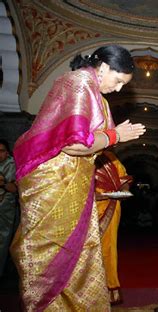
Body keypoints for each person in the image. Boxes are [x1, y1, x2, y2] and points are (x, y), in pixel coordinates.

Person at [11, 45, 146, 311]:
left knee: (79, 252)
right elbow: (72, 144)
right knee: (51, 253)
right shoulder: (79, 83)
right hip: (54, 183)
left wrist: (112, 136)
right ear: (104, 67)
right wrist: (116, 135)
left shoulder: (96, 94)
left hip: (75, 183)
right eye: (118, 81)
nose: (118, 89)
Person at [95, 151, 132, 305]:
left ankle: (110, 290)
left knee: (108, 249)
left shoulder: (110, 157)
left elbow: (123, 178)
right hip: (87, 211)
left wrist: (123, 190)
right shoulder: (79, 155)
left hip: (111, 207)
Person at [0, 139, 18, 279]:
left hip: (6, 209)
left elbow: (13, 188)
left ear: (7, 152)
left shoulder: (11, 165)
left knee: (3, 242)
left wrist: (3, 182)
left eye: (2, 151)